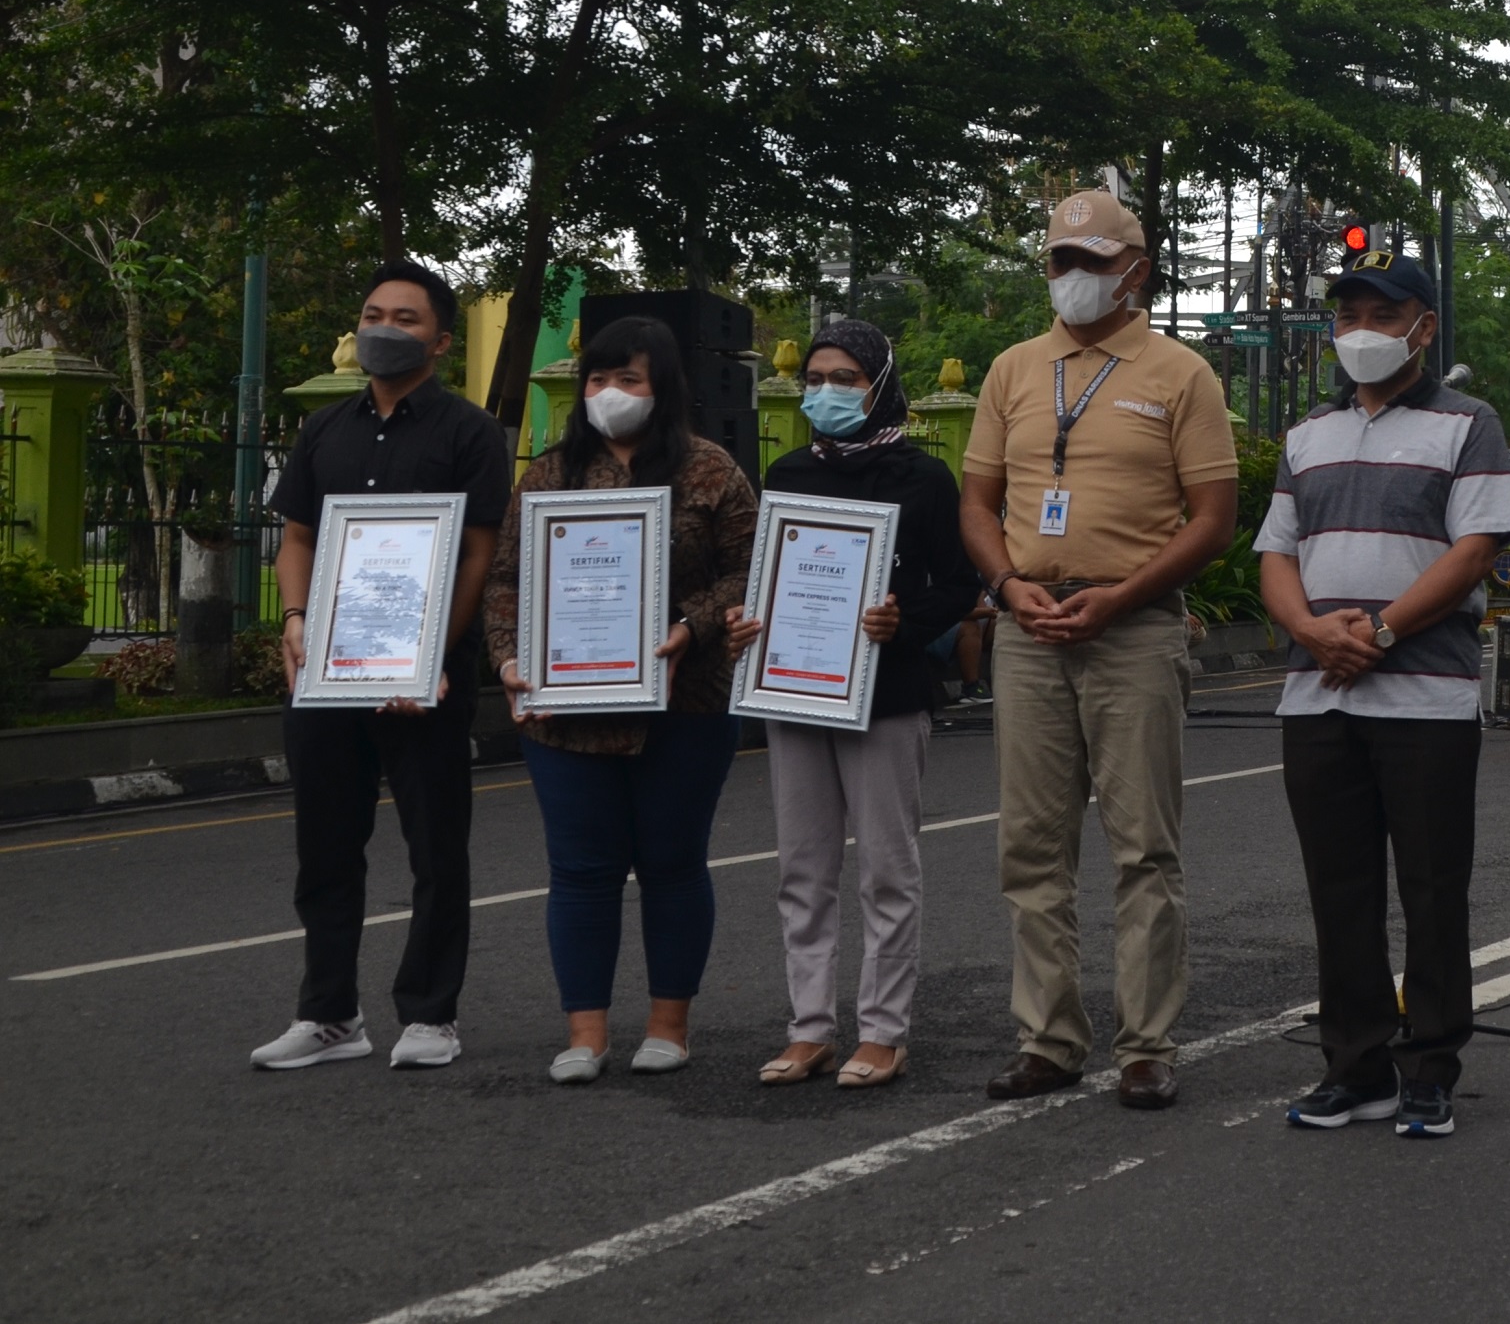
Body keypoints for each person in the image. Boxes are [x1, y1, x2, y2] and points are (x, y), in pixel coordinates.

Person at [959, 190, 1239, 1110]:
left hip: (1135, 628)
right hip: (1028, 628)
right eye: (1057, 261)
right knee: (1030, 845)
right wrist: (1007, 588)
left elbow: (1215, 518)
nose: (1069, 277)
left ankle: (1147, 1043)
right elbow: (977, 501)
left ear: (1136, 270)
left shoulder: (1181, 374)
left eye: (1088, 260)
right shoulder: (1011, 369)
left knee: (1142, 848)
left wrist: (1123, 595)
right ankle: (1048, 1038)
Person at [1257, 248, 1510, 1140]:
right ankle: (1357, 1065)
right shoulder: (1306, 435)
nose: (1362, 332)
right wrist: (1309, 631)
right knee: (1340, 890)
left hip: (1425, 696)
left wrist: (1374, 632)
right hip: (1318, 696)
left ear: (1423, 325)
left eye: (1382, 315)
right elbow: (1276, 556)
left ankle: (1429, 1067)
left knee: (1432, 887)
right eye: (1348, 317)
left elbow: (1475, 551)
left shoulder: (1468, 423)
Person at [250, 263, 516, 1073]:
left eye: (405, 317)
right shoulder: (323, 430)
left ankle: (431, 1013)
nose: (384, 328)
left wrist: (432, 654)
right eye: (372, 313)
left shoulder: (469, 433)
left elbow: (476, 553)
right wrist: (295, 621)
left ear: (438, 339)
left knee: (436, 846)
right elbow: (298, 538)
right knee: (326, 846)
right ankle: (329, 1013)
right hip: (328, 670)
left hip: (423, 675)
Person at [485, 315, 759, 1085]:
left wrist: (689, 625)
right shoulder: (547, 477)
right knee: (580, 868)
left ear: (662, 387)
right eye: (598, 379)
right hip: (568, 708)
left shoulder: (712, 472)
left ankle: (669, 1026)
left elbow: (749, 568)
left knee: (673, 863)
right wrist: (509, 657)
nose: (610, 393)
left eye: (628, 379)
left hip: (687, 703)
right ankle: (586, 1032)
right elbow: (506, 581)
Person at [724, 320, 982, 1089]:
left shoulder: (924, 477)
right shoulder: (788, 472)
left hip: (888, 694)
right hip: (796, 688)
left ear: (878, 383)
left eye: (844, 377)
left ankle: (884, 1030)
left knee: (887, 870)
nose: (826, 391)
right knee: (802, 868)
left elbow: (958, 585)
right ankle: (809, 1028)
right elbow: (768, 576)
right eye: (815, 376)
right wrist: (750, 619)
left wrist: (904, 620)